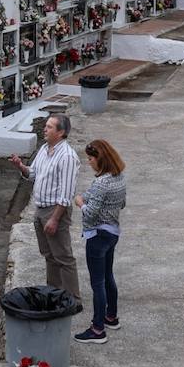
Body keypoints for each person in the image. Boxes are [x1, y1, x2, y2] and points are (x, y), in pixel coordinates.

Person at [11, 113, 81, 301]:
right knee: (49, 255)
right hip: (40, 209)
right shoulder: (44, 149)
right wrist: (21, 166)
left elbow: (66, 194)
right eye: (46, 126)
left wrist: (55, 219)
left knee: (63, 257)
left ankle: (73, 298)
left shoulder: (67, 156)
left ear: (61, 133)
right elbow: (33, 174)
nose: (45, 129)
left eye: (50, 127)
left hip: (54, 211)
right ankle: (54, 293)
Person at [72, 139, 126, 344]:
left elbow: (91, 213)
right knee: (108, 275)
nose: (89, 162)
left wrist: (80, 203)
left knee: (97, 283)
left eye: (91, 158)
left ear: (100, 159)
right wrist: (90, 197)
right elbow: (122, 203)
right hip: (113, 233)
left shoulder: (101, 183)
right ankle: (111, 317)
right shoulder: (119, 177)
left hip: (98, 236)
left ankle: (97, 329)